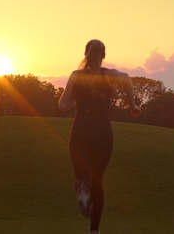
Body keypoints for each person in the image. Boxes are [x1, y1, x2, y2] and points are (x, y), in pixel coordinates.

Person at [58, 39, 141, 234]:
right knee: (98, 181)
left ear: (85, 53)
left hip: (80, 131)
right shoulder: (109, 75)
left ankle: (82, 189)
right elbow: (127, 77)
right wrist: (132, 104)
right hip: (103, 134)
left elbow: (62, 106)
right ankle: (94, 230)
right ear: (104, 55)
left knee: (83, 177)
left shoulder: (76, 76)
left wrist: (75, 98)